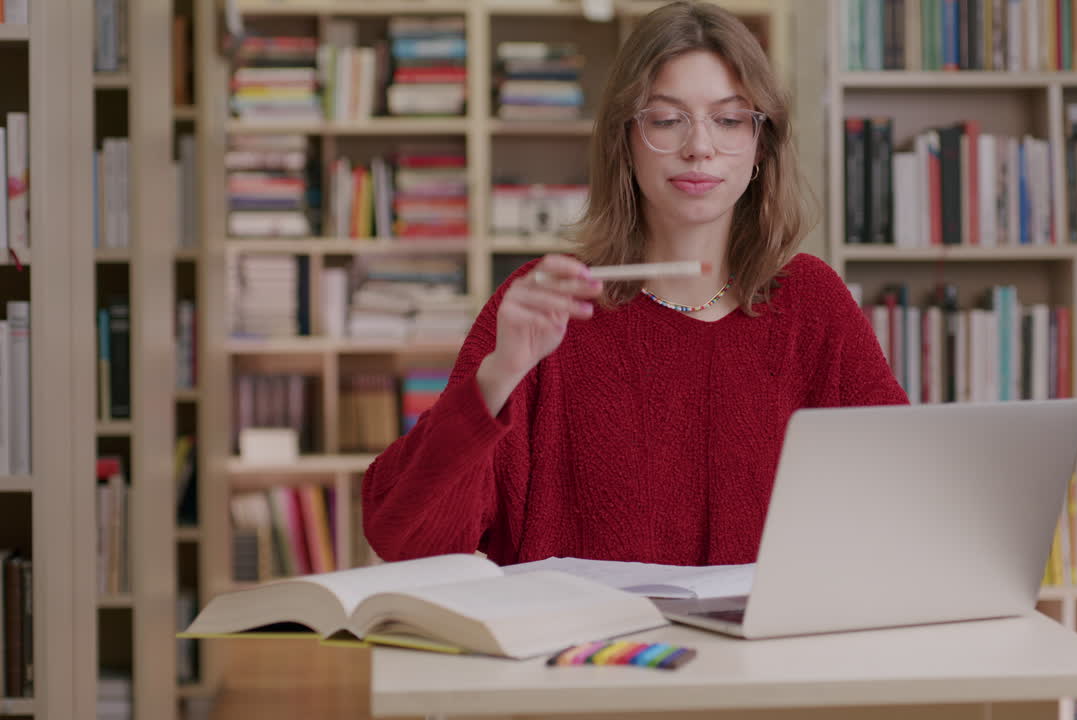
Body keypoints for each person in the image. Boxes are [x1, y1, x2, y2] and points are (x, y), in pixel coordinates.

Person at [362, 0, 907, 568]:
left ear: (760, 146)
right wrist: (497, 374)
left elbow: (907, 502)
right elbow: (406, 539)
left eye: (728, 119)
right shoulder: (549, 302)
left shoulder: (812, 303)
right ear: (624, 139)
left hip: (767, 652)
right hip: (585, 654)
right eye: (667, 119)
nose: (700, 146)